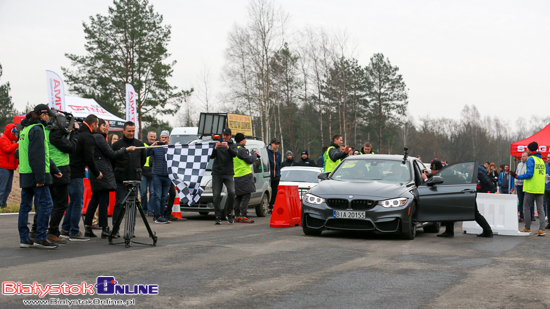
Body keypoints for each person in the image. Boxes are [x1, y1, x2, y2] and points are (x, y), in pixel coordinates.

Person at [18, 104, 62, 249]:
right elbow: (37, 155)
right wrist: (40, 178)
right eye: (48, 115)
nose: (49, 118)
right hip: (36, 174)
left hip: (26, 174)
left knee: (25, 206)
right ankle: (41, 237)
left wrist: (53, 169)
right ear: (43, 115)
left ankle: (24, 239)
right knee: (47, 204)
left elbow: (19, 153)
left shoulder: (25, 129)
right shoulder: (37, 129)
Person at [31, 114, 78, 245]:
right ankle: (52, 232)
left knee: (45, 202)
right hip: (60, 169)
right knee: (61, 203)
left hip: (48, 168)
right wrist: (75, 134)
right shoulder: (55, 134)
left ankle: (35, 230)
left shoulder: (43, 131)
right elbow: (71, 147)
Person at [84, 119, 134, 238]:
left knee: (94, 199)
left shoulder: (92, 137)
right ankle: (105, 228)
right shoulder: (99, 138)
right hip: (102, 172)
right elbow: (111, 153)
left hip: (95, 171)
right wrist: (125, 150)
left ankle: (88, 227)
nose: (107, 127)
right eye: (104, 125)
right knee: (103, 201)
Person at [61, 114, 102, 241]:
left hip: (68, 169)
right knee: (78, 202)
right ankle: (74, 231)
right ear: (94, 124)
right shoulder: (87, 136)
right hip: (76, 171)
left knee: (73, 202)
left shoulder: (76, 133)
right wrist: (97, 173)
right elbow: (90, 158)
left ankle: (65, 229)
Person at [431, 160, 494, 238]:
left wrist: (426, 178)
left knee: (474, 213)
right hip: (463, 192)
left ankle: (488, 231)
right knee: (450, 211)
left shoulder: (445, 173)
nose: (432, 171)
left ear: (437, 170)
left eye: (432, 170)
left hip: (463, 193)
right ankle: (449, 231)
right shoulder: (447, 171)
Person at [111, 121, 147, 236]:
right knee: (119, 204)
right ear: (124, 131)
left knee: (133, 205)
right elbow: (112, 160)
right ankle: (115, 229)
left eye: (133, 131)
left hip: (134, 179)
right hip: (120, 179)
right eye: (129, 131)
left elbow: (142, 160)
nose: (131, 133)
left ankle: (131, 230)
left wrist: (137, 170)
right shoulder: (117, 145)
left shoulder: (139, 144)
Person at [513, 142, 546, 236]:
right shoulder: (541, 161)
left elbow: (529, 174)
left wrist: (517, 176)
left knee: (526, 207)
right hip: (540, 187)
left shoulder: (531, 159)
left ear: (529, 149)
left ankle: (527, 228)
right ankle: (542, 229)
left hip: (531, 187)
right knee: (540, 209)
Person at [211, 128, 238, 225]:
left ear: (230, 136)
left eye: (227, 135)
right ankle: (218, 216)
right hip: (217, 173)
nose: (225, 137)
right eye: (224, 135)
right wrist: (216, 148)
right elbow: (211, 156)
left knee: (232, 192)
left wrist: (227, 148)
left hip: (228, 173)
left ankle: (229, 214)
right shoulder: (217, 143)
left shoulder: (232, 144)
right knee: (216, 195)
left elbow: (235, 154)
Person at [147, 130, 175, 224]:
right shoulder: (156, 147)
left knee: (164, 197)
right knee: (157, 196)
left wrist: (169, 146)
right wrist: (152, 145)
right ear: (159, 138)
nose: (163, 139)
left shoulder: (170, 148)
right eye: (162, 137)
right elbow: (145, 154)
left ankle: (161, 216)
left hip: (167, 176)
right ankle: (157, 215)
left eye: (165, 138)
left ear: (168, 139)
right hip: (157, 175)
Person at [232, 133, 258, 224]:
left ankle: (236, 216)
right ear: (241, 140)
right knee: (246, 196)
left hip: (237, 175)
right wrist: (254, 155)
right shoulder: (242, 150)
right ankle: (243, 216)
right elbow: (250, 160)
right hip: (245, 175)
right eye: (244, 139)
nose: (245, 141)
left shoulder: (234, 149)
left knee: (238, 196)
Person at [0, 123, 19, 208]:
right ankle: (1, 203)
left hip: (10, 166)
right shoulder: (3, 138)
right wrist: (17, 144)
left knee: (8, 188)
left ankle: (3, 203)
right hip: (4, 166)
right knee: (2, 187)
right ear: (9, 131)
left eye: (15, 132)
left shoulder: (12, 140)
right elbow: (7, 149)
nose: (14, 133)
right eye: (13, 132)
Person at [516, 152, 535, 222]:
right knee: (520, 202)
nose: (522, 157)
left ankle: (531, 216)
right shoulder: (519, 164)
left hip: (526, 184)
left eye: (524, 156)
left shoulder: (529, 164)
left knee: (528, 202)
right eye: (522, 156)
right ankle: (521, 216)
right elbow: (517, 172)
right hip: (519, 185)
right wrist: (516, 182)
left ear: (527, 157)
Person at [141, 131, 156, 216]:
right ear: (147, 137)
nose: (152, 138)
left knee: (152, 192)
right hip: (144, 171)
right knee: (143, 192)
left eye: (154, 137)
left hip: (153, 172)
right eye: (151, 136)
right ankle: (144, 209)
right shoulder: (143, 145)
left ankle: (150, 210)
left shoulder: (157, 146)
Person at [266, 138, 282, 214]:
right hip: (269, 176)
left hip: (276, 176)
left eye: (278, 144)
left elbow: (279, 165)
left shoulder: (278, 154)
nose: (277, 146)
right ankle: (268, 205)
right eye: (275, 144)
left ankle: (272, 206)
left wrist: (278, 174)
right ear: (271, 144)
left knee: (275, 191)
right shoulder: (267, 152)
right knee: (269, 191)